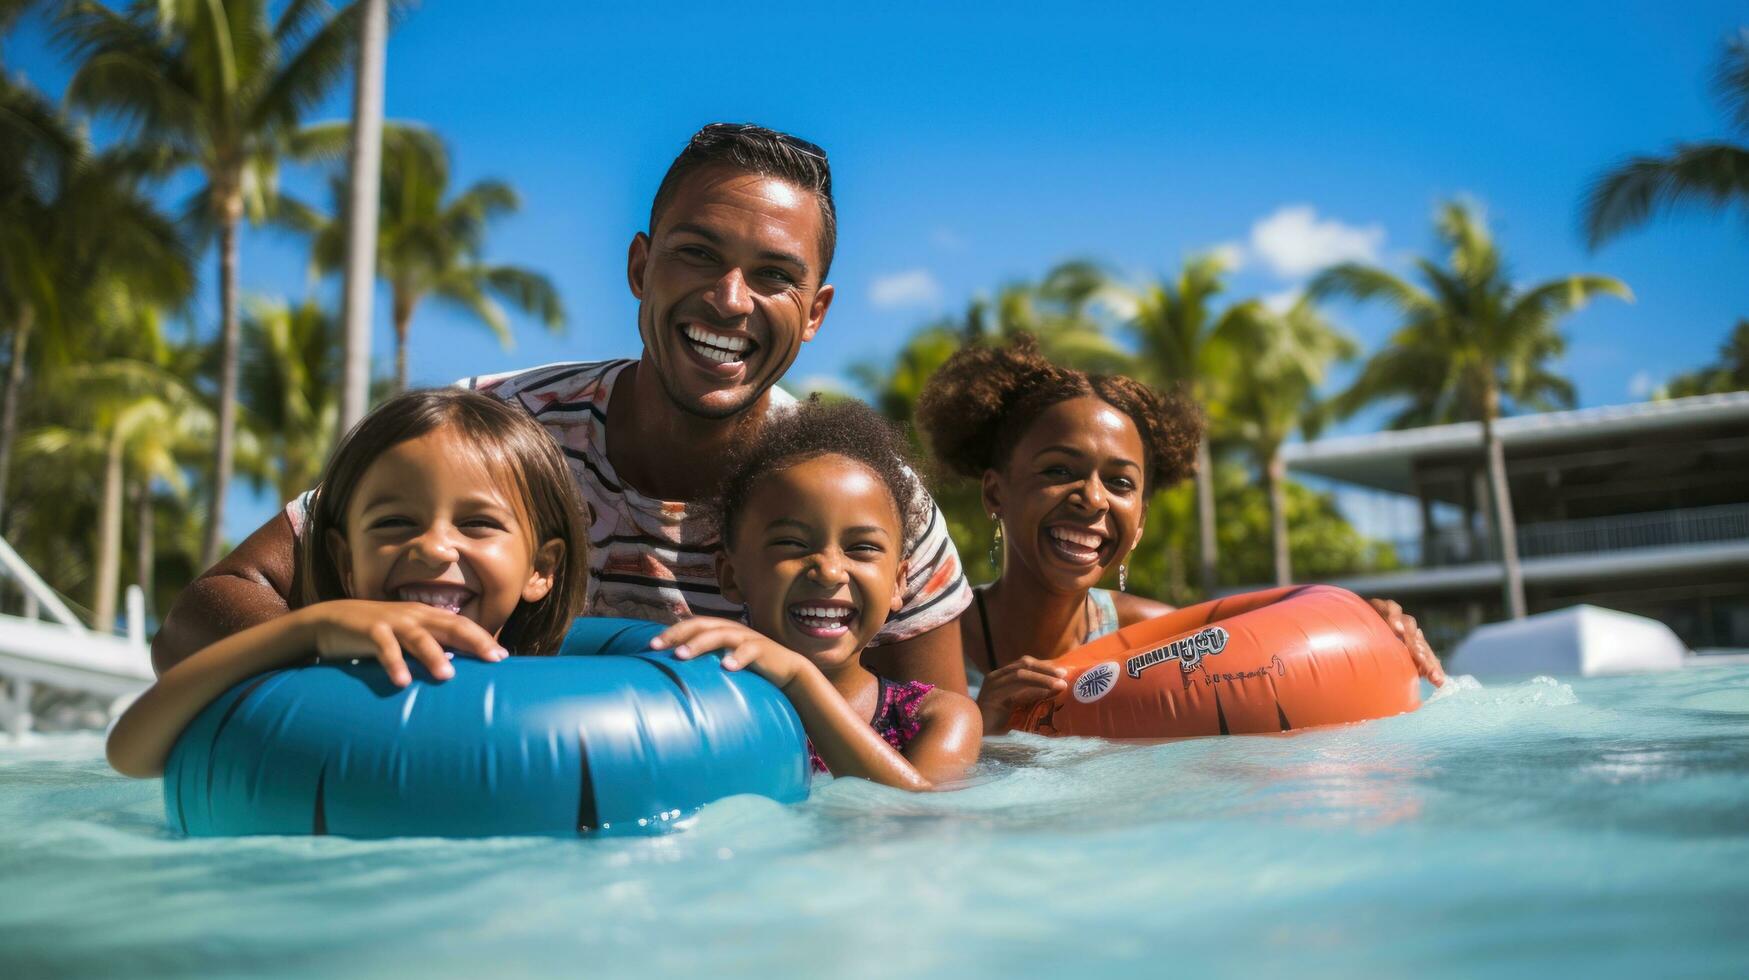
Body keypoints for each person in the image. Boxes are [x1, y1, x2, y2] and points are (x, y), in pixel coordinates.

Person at [151, 123, 973, 691]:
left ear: (817, 310)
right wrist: (334, 634)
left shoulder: (868, 502)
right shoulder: (484, 437)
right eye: (697, 255)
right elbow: (198, 617)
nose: (729, 300)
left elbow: (932, 752)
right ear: (639, 268)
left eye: (773, 276)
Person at [914, 335, 1445, 735]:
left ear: (1140, 520)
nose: (1093, 498)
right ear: (995, 494)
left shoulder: (1165, 638)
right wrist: (980, 731)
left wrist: (1373, 625)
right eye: (1058, 471)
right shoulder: (930, 639)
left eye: (1120, 483)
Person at [107, 390, 590, 778]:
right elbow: (129, 752)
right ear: (346, 561)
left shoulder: (551, 702)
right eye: (394, 522)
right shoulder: (313, 688)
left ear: (541, 570)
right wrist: (309, 630)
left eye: (478, 523)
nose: (433, 548)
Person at [652, 399, 980, 790]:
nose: (828, 571)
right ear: (731, 575)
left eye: (862, 548)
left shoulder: (941, 717)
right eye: (791, 543)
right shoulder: (706, 708)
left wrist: (800, 680)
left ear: (898, 582)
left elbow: (922, 815)